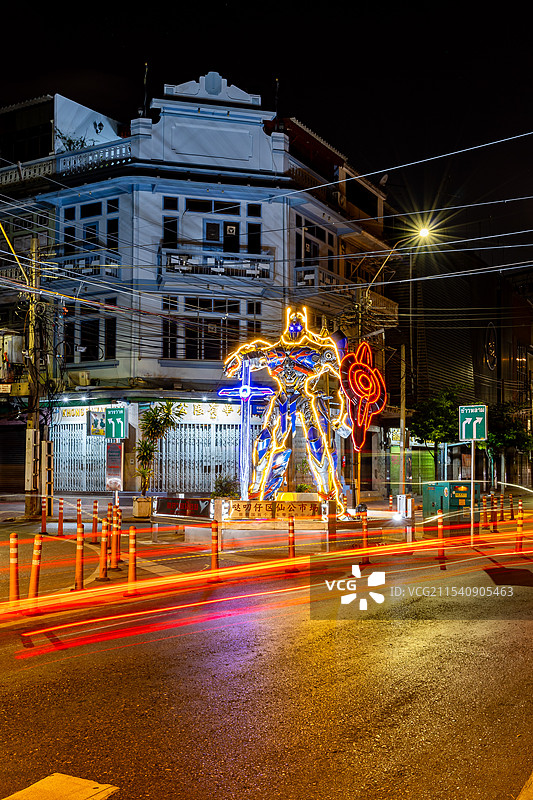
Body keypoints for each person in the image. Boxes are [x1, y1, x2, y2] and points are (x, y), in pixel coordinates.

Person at [224, 307, 351, 514]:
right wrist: (238, 361)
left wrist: (345, 415)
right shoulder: (274, 351)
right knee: (264, 440)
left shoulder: (316, 351)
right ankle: (256, 490)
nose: (295, 327)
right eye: (292, 324)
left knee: (316, 442)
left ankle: (328, 495)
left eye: (298, 324)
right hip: (282, 398)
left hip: (304, 397)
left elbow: (344, 376)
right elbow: (247, 358)